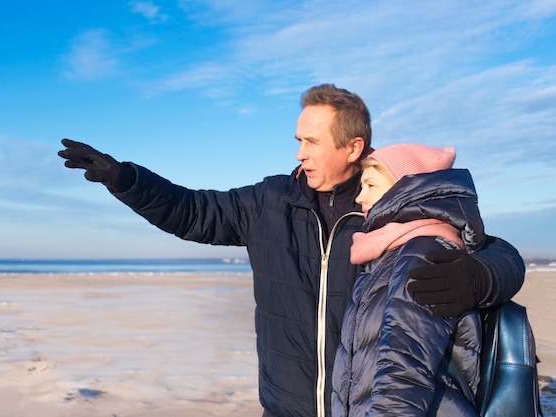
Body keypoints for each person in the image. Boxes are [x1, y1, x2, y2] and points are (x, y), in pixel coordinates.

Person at [58, 84, 525, 417]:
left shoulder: (387, 205)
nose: (299, 152)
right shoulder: (269, 201)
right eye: (297, 140)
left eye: (311, 141)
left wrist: (481, 277)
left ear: (352, 146)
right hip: (285, 406)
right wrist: (126, 181)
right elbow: (192, 212)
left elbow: (489, 249)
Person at [332, 144, 486, 417]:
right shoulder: (391, 255)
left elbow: (404, 374)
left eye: (370, 185)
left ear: (400, 190)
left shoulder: (423, 254)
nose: (359, 197)